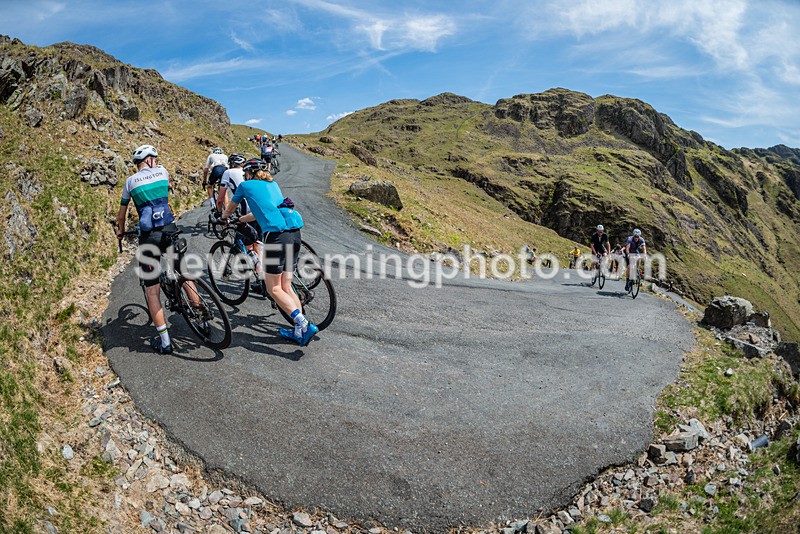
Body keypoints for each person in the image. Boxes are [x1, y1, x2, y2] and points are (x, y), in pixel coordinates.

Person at [220, 158, 318, 346]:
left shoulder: (245, 185)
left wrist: (224, 217)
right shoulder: (272, 184)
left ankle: (304, 324)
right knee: (286, 286)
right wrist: (241, 219)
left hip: (277, 237)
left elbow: (229, 207)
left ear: (247, 173)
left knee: (273, 288)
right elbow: (261, 212)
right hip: (294, 233)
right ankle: (299, 331)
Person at [116, 145, 196, 354]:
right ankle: (200, 310)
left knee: (152, 290)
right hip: (169, 229)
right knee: (183, 272)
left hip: (149, 236)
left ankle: (165, 342)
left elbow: (122, 213)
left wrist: (121, 232)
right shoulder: (163, 172)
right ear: (151, 160)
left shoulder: (130, 182)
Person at [216, 153, 263, 287]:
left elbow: (220, 199)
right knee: (257, 243)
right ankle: (261, 277)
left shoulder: (227, 172)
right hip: (258, 209)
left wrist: (220, 215)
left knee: (247, 243)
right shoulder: (253, 173)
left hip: (245, 212)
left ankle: (260, 276)